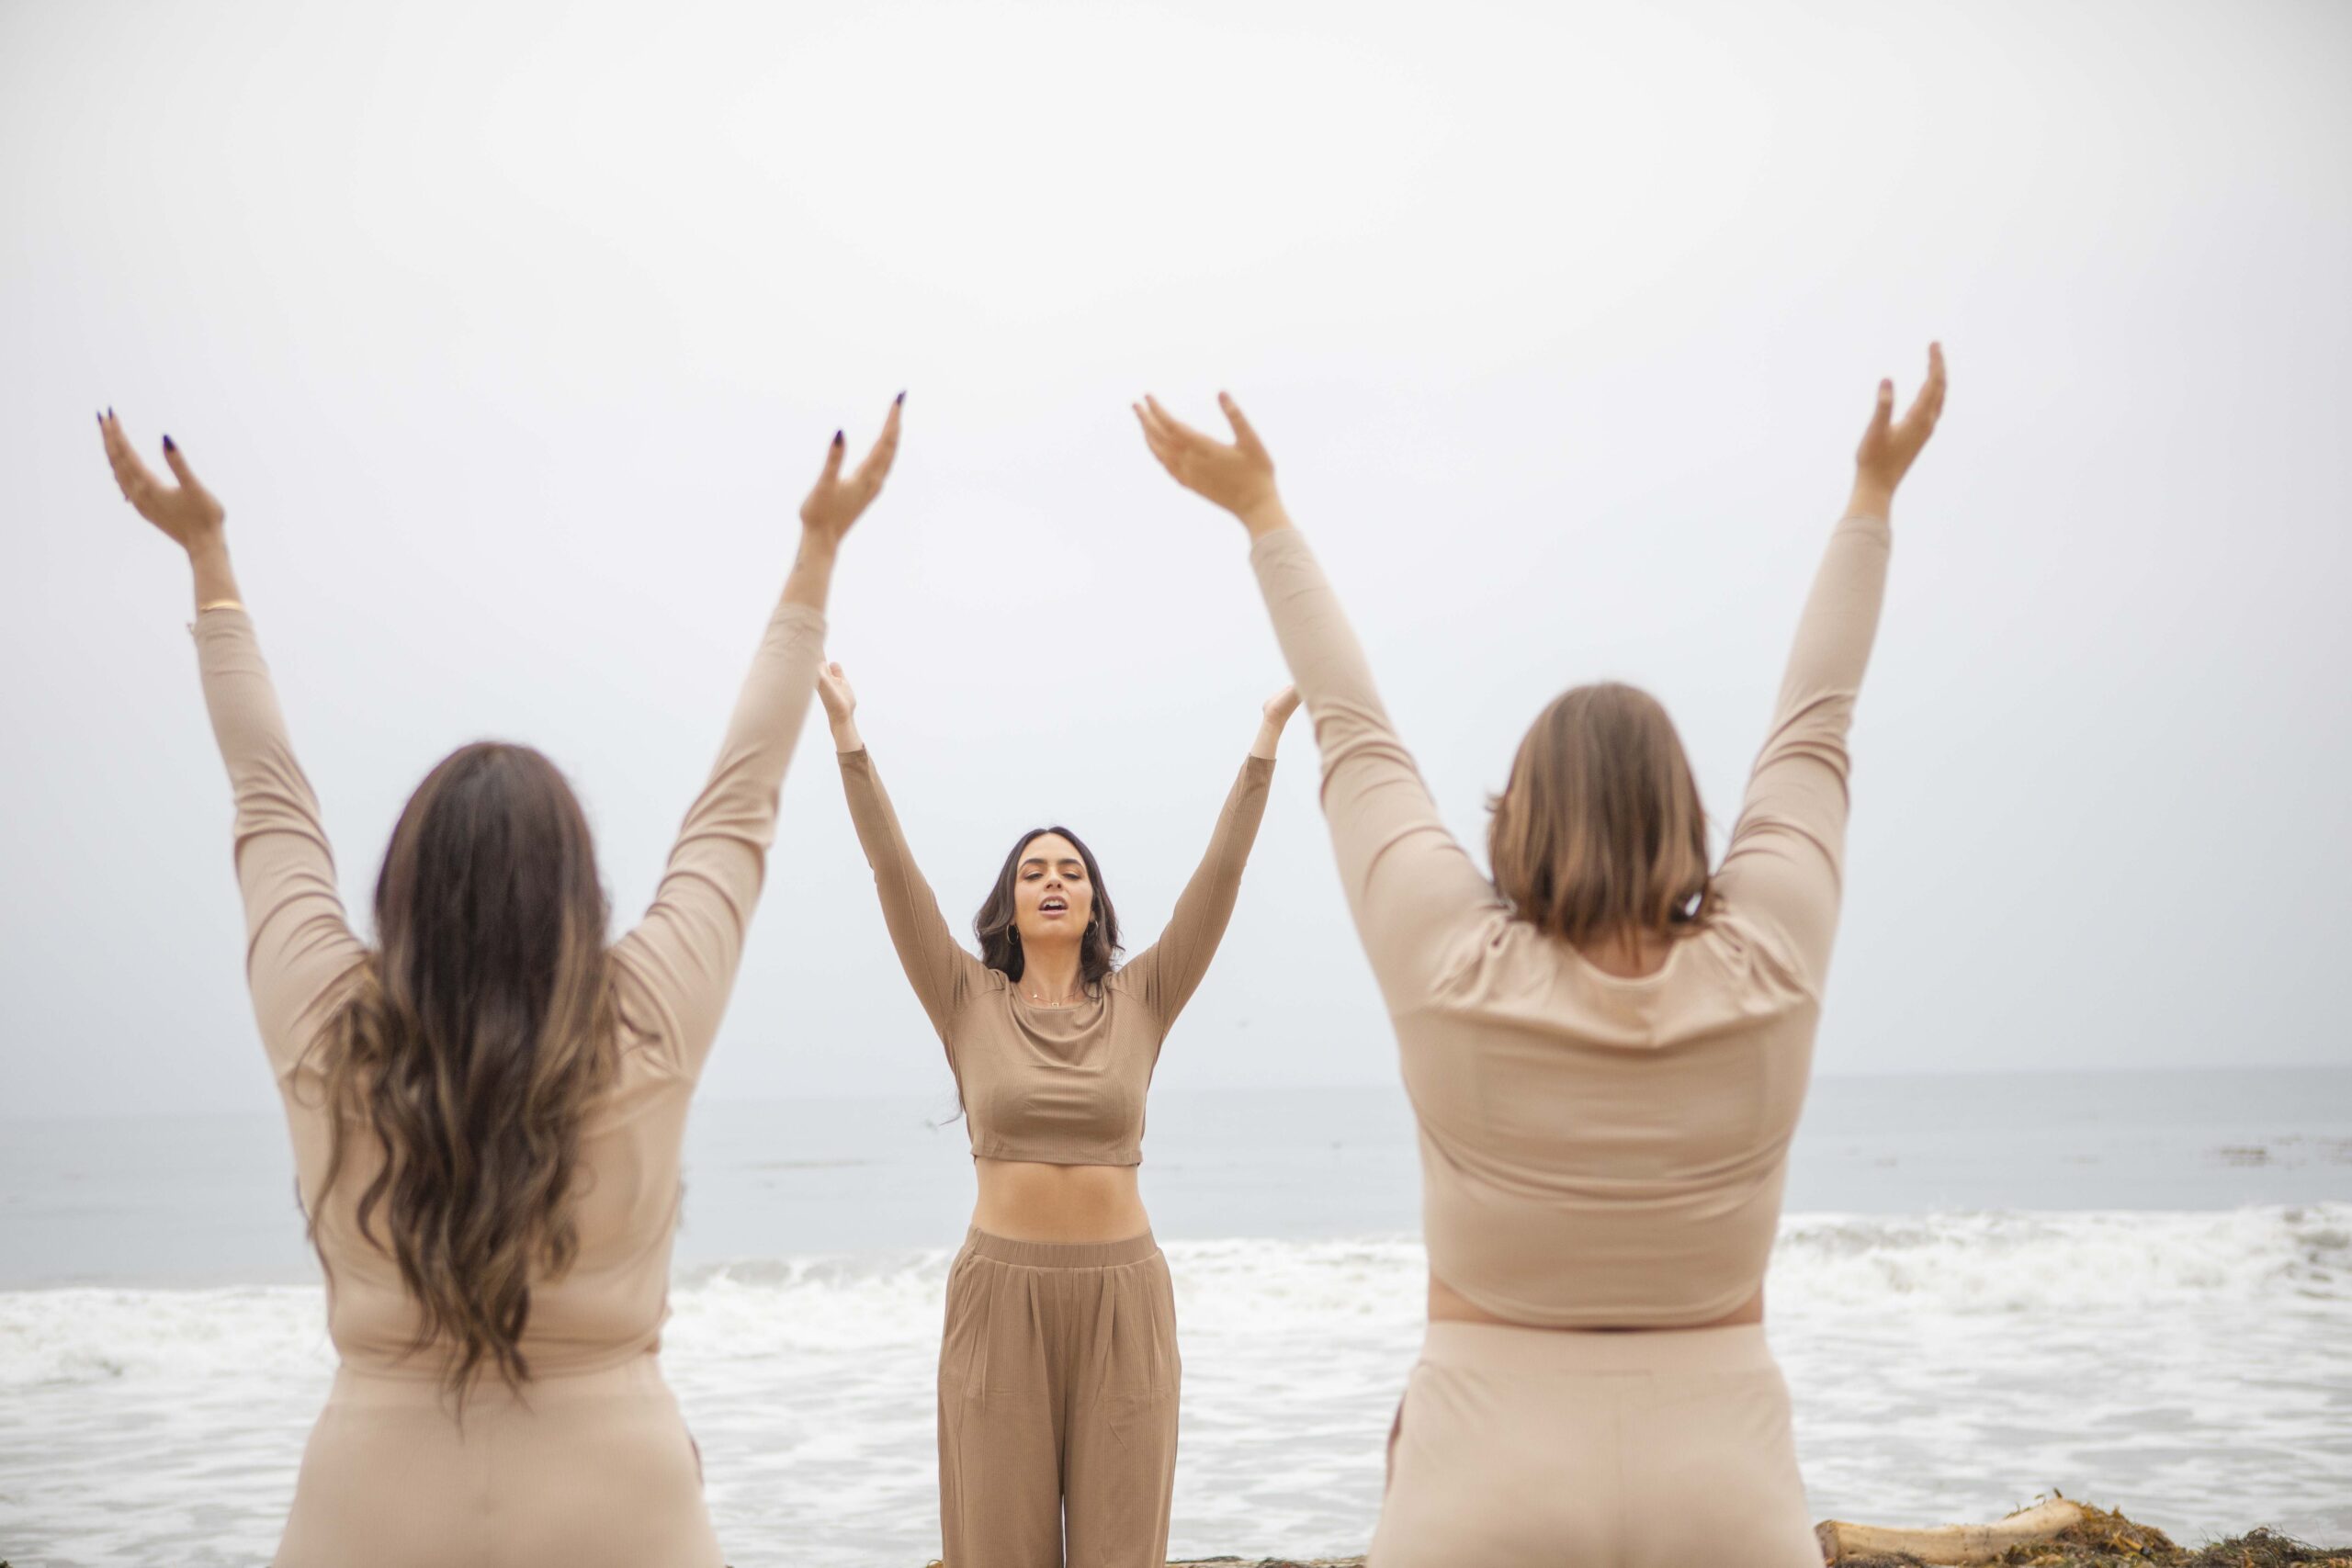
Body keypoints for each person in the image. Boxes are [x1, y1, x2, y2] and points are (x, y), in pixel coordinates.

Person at [1133, 345, 1948, 1567]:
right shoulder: (1768, 961)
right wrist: (1871, 498)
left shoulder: (1453, 966)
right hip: (1724, 1478)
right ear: (1687, 812)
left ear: (1517, 815)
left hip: (1483, 1463)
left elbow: (1352, 728)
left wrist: (1264, 515)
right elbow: (1815, 719)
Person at [95, 397, 901, 1568]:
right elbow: (742, 798)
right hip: (621, 1502)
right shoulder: (648, 1015)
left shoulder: (324, 1021)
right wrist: (818, 550)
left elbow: (266, 795)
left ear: (401, 890)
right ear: (579, 890)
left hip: (367, 1504)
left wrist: (208, 560)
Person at [814, 656, 1296, 1568]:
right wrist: (847, 733)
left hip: (1125, 1302)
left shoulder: (1144, 996)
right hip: (1001, 1303)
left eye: (1071, 872)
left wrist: (1267, 735)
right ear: (1009, 901)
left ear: (1091, 903)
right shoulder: (965, 998)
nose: (1052, 880)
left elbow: (1222, 874)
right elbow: (890, 869)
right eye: (1033, 870)